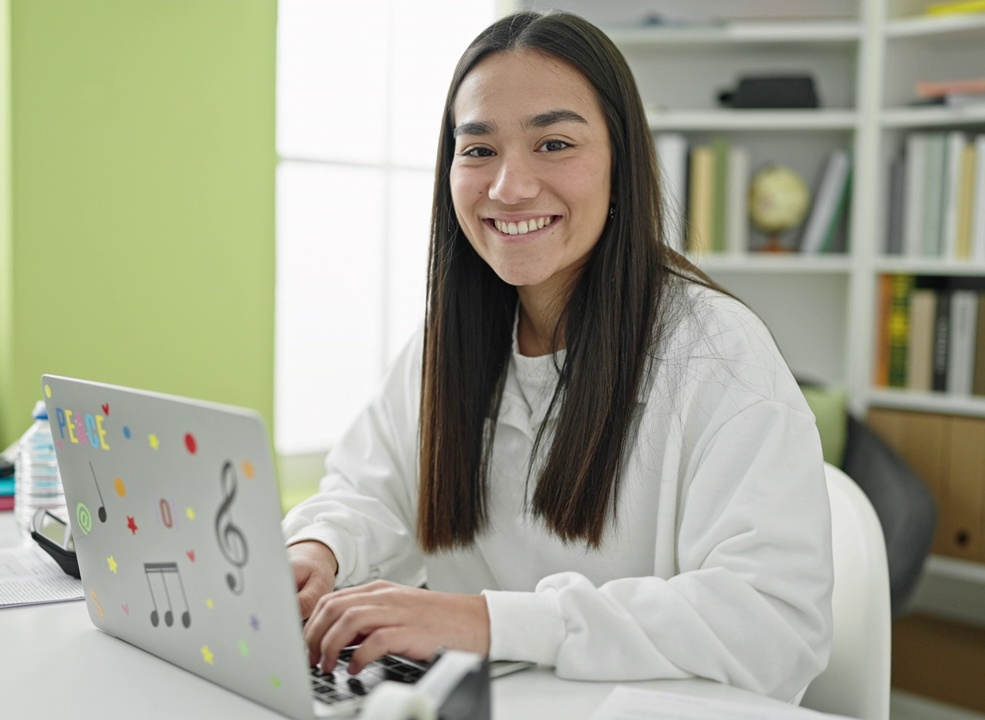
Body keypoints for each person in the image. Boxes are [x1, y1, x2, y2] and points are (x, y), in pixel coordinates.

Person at [282, 9, 832, 703]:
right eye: (478, 150)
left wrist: (488, 621)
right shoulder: (448, 341)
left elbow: (773, 627)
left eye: (553, 144)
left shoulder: (718, 354)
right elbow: (368, 490)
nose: (508, 187)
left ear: (621, 165)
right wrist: (317, 551)